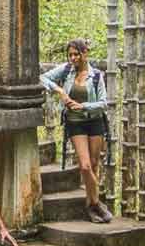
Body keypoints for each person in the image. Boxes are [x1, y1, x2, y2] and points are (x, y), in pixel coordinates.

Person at [41, 39, 114, 223]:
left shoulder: (96, 75)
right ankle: (97, 203)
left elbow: (104, 103)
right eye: (70, 54)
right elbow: (42, 77)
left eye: (76, 54)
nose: (73, 58)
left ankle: (91, 207)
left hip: (95, 122)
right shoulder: (66, 71)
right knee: (85, 166)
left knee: (95, 164)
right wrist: (60, 91)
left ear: (85, 53)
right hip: (75, 124)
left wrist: (84, 106)